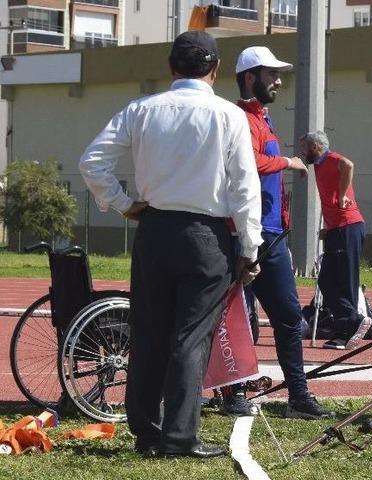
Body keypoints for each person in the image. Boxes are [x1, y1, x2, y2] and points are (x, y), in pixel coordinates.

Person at [79, 31, 262, 458]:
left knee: (149, 333)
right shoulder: (228, 116)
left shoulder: (142, 109)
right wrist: (251, 249)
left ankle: (146, 431)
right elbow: (244, 189)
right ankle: (181, 437)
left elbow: (93, 162)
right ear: (215, 70)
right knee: (190, 337)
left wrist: (123, 203)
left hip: (154, 229)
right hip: (206, 234)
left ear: (170, 67)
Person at [226, 46, 334, 419]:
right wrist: (287, 161)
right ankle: (233, 392)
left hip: (272, 236)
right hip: (241, 236)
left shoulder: (263, 117)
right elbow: (247, 164)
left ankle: (298, 397)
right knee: (239, 318)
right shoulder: (239, 117)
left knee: (289, 317)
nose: (279, 80)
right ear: (250, 77)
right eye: (271, 73)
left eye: (279, 73)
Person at [298, 131, 371, 350]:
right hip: (336, 230)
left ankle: (349, 327)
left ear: (316, 147)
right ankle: (348, 324)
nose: (302, 152)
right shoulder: (318, 165)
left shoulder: (331, 159)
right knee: (326, 280)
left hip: (348, 226)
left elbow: (348, 165)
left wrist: (341, 195)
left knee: (344, 281)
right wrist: (327, 229)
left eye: (305, 148)